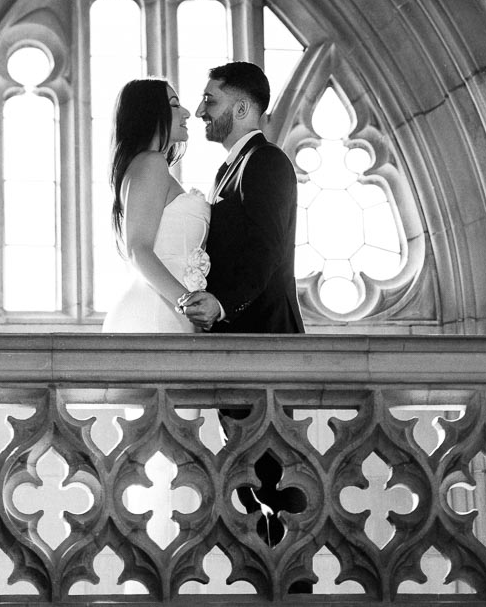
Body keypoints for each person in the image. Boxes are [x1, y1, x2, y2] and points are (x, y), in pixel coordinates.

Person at [182, 62, 310, 584]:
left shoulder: (268, 163)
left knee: (275, 481)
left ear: (240, 109)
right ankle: (264, 577)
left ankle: (289, 585)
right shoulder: (226, 171)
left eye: (209, 101)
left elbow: (265, 252)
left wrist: (220, 304)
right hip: (240, 346)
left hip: (268, 344)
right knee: (248, 478)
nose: (199, 111)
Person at [101, 77, 211, 333]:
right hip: (157, 311)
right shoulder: (151, 163)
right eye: (174, 105)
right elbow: (138, 250)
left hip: (168, 307)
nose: (185, 113)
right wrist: (189, 305)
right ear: (149, 113)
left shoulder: (147, 165)